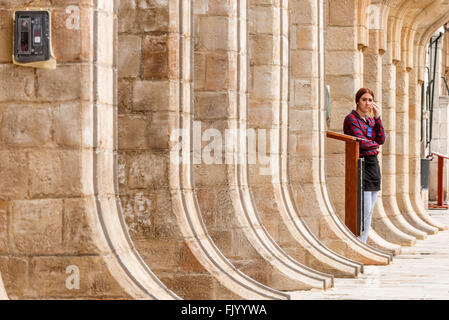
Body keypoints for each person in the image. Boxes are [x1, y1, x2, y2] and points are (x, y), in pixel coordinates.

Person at [343, 88, 386, 243]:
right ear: (357, 101)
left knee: (370, 211)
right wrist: (374, 146)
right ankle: (358, 241)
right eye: (364, 100)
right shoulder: (351, 119)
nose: (367, 103)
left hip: (373, 165)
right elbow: (359, 140)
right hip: (361, 164)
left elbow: (381, 139)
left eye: (370, 100)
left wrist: (378, 117)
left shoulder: (371, 120)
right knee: (364, 209)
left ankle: (364, 241)